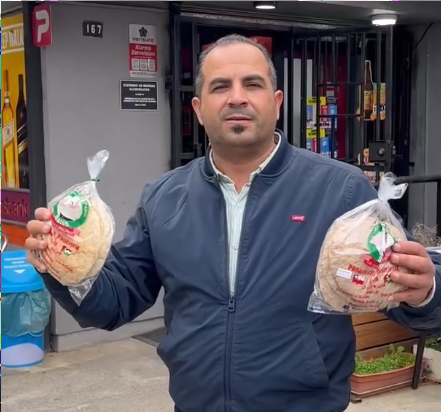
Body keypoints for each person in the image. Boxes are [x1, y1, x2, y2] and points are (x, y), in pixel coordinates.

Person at [26, 35, 440, 412]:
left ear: (277, 102)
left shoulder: (341, 190)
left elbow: (401, 288)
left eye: (252, 84)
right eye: (220, 86)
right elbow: (115, 302)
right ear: (198, 108)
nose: (237, 98)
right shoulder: (164, 197)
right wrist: (61, 266)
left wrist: (426, 290)